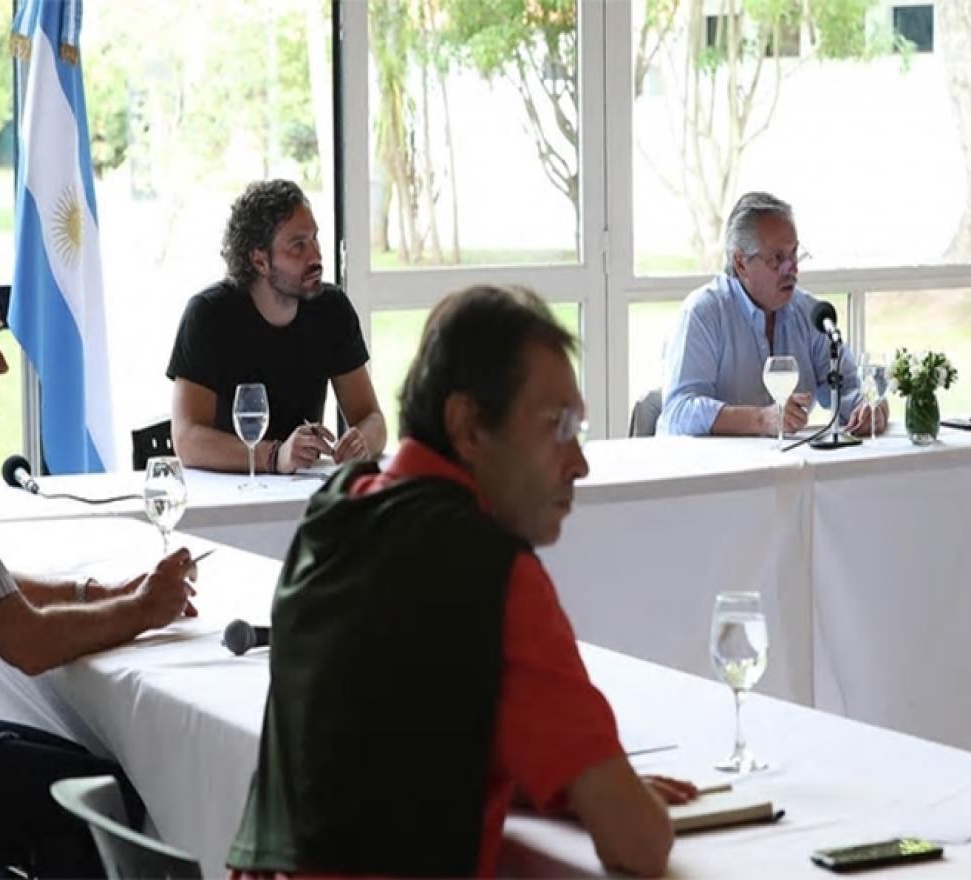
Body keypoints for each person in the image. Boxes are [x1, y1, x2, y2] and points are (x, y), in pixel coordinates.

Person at [227, 285, 694, 879]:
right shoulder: (491, 574)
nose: (578, 462)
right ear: (469, 426)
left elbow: (382, 752)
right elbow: (639, 843)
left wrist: (564, 780)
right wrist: (604, 789)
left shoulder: (335, 514)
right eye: (557, 426)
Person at [0, 260, 199, 877]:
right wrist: (146, 608)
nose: (3, 365)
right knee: (98, 801)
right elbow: (27, 643)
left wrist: (94, 593)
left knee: (93, 774)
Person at [168, 179, 386, 474]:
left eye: (314, 239)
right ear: (259, 261)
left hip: (300, 494)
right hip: (225, 493)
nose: (316, 256)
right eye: (298, 246)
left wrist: (362, 441)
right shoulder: (209, 315)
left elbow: (372, 418)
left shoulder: (331, 308)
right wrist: (273, 456)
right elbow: (187, 439)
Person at [658, 191, 887, 438]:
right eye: (778, 258)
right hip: (712, 470)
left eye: (794, 254)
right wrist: (762, 419)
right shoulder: (703, 314)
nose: (793, 269)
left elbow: (851, 389)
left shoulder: (810, 314)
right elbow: (678, 413)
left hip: (786, 469)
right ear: (741, 263)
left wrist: (870, 408)